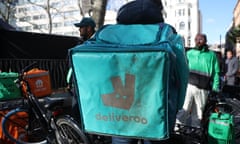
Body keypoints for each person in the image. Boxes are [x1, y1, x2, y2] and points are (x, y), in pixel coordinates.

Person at [175, 33, 220, 132]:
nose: (198, 41)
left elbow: (216, 72)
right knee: (183, 110)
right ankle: (177, 132)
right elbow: (182, 69)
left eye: (201, 39)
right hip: (189, 86)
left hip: (203, 89)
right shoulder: (189, 53)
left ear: (205, 41)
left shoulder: (212, 55)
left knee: (198, 114)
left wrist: (215, 88)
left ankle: (195, 135)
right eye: (196, 39)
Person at [68, 17, 96, 121]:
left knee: (86, 113)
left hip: (88, 85)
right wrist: (70, 82)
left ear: (89, 28)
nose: (79, 30)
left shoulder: (95, 44)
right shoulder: (81, 44)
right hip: (77, 84)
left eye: (81, 27)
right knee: (77, 114)